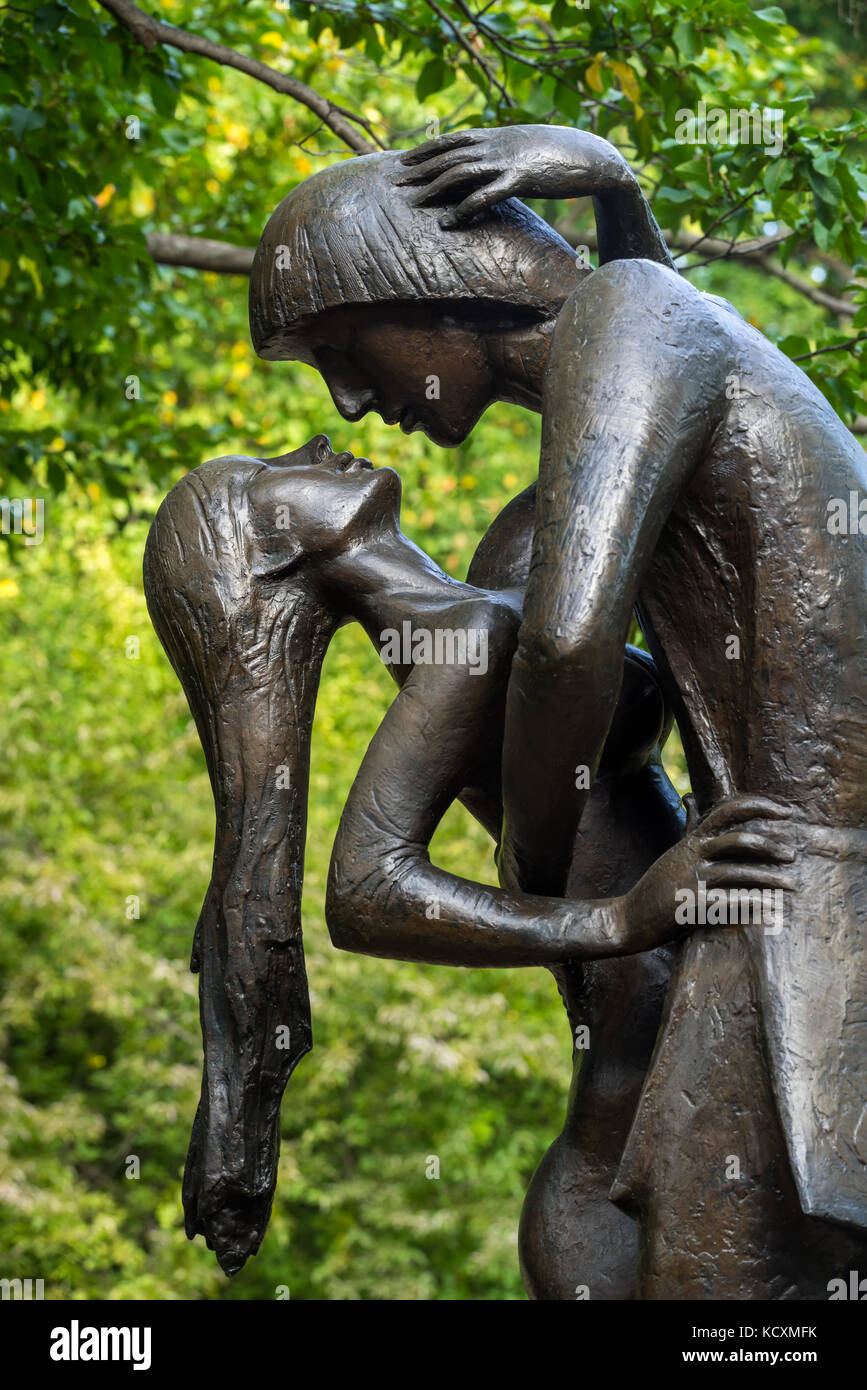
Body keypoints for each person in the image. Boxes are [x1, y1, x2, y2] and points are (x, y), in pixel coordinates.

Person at [248, 124, 867, 1296]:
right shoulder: (628, 347)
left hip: (804, 883)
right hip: (786, 881)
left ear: (423, 282)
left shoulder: (624, 320)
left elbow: (573, 642)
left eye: (340, 348)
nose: (351, 400)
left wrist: (542, 873)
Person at [144, 436, 795, 1281]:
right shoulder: (466, 640)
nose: (317, 443)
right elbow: (366, 893)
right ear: (270, 548)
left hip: (679, 1068)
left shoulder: (481, 604)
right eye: (272, 469)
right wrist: (626, 915)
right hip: (635, 1142)